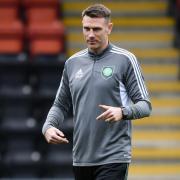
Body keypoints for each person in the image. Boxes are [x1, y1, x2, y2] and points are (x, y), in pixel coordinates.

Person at [42, 4, 152, 180]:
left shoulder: (125, 59)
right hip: (81, 158)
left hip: (114, 156)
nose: (90, 34)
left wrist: (122, 112)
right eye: (86, 29)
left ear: (109, 28)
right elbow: (60, 104)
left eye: (96, 29)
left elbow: (145, 106)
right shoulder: (72, 63)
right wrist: (48, 127)